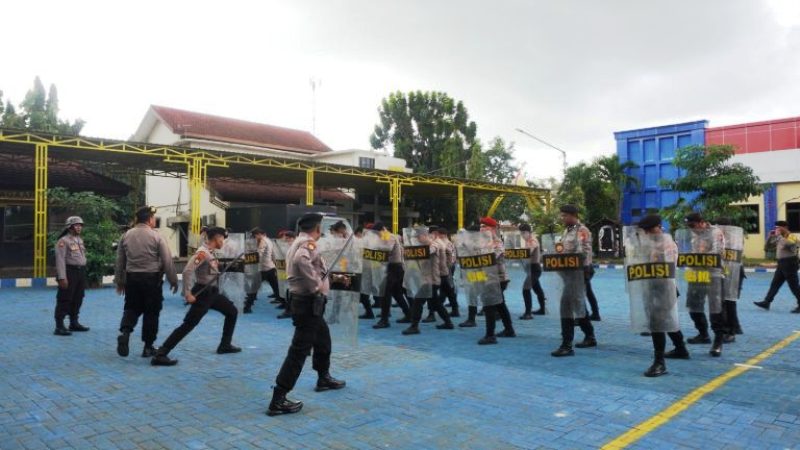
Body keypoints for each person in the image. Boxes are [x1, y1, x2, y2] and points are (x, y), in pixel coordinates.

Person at [268, 213, 346, 416]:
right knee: (299, 350)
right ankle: (278, 397)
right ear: (318, 228)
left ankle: (323, 377)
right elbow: (302, 262)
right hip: (308, 303)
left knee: (323, 341)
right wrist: (316, 286)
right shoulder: (308, 244)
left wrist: (333, 278)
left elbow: (314, 268)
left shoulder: (299, 241)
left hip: (306, 303)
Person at [151, 226, 242, 366]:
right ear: (217, 237)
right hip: (203, 293)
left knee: (232, 312)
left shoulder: (210, 252)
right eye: (223, 238)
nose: (223, 241)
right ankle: (161, 354)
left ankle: (225, 345)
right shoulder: (202, 252)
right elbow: (188, 271)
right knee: (188, 324)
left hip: (213, 293)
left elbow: (211, 270)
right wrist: (187, 293)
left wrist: (227, 266)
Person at [628, 214, 690, 377]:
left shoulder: (666, 243)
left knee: (657, 324)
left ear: (658, 227)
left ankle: (659, 363)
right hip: (651, 287)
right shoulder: (649, 241)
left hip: (664, 288)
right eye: (645, 231)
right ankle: (681, 348)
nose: (646, 233)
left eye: (649, 230)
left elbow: (661, 264)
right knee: (666, 320)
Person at [114, 206, 178, 358]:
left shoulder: (126, 235)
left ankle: (125, 332)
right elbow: (167, 260)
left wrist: (120, 281)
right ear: (149, 219)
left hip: (132, 279)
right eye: (153, 218)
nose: (154, 220)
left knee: (131, 307)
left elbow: (120, 261)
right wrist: (173, 280)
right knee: (151, 312)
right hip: (151, 279)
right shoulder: (157, 236)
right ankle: (148, 347)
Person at [551, 205, 597, 357]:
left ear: (573, 215)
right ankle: (590, 336)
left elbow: (583, 252)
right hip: (568, 273)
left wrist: (582, 268)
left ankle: (567, 345)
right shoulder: (567, 231)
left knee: (566, 305)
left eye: (564, 216)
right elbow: (563, 251)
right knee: (577, 304)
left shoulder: (581, 231)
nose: (562, 218)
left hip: (578, 272)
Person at [681, 213, 727, 357]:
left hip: (713, 274)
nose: (691, 229)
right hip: (696, 274)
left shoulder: (715, 233)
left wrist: (696, 258)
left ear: (701, 222)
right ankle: (703, 334)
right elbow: (694, 251)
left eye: (692, 225)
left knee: (715, 308)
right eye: (689, 227)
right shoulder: (695, 235)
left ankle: (718, 341)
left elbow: (717, 252)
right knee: (693, 306)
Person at [402, 227, 454, 335]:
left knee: (417, 302)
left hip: (430, 280)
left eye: (418, 237)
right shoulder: (423, 245)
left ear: (425, 236)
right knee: (436, 303)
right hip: (428, 279)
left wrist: (414, 252)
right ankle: (448, 322)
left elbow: (430, 251)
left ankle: (414, 326)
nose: (417, 239)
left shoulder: (434, 245)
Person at [479, 217, 515, 342]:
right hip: (489, 277)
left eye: (485, 226)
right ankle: (509, 329)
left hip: (498, 279)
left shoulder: (497, 243)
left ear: (493, 228)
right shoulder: (484, 243)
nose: (482, 228)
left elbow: (490, 259)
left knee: (489, 305)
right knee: (500, 305)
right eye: (481, 226)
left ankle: (490, 335)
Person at [371, 222, 411, 329]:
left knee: (385, 293)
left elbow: (386, 250)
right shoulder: (385, 237)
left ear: (383, 229)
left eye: (378, 233)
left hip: (394, 267)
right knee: (397, 293)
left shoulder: (390, 237)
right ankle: (408, 314)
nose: (377, 235)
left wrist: (372, 247)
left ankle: (384, 320)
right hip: (391, 267)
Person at [754, 220, 800, 313]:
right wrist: (769, 237)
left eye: (778, 227)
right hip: (781, 264)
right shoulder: (779, 237)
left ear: (785, 227)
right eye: (776, 228)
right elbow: (767, 247)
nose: (777, 229)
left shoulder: (792, 236)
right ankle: (767, 302)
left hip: (790, 263)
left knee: (794, 286)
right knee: (775, 283)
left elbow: (788, 245)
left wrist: (779, 236)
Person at [54, 216, 89, 336]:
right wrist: (62, 277)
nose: (79, 227)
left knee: (78, 297)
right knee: (65, 298)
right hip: (69, 272)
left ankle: (74, 323)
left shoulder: (79, 240)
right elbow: (60, 260)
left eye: (80, 225)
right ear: (70, 227)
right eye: (76, 225)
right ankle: (59, 326)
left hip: (80, 272)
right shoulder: (63, 241)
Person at [245, 227, 282, 314]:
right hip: (270, 267)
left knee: (253, 289)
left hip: (263, 269)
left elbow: (259, 254)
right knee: (277, 289)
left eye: (255, 236)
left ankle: (247, 307)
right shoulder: (269, 240)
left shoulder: (263, 241)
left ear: (259, 234)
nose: (254, 238)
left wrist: (248, 258)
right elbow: (273, 255)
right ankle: (287, 306)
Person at [518, 223, 546, 319]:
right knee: (537, 289)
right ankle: (542, 309)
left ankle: (528, 313)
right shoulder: (528, 240)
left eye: (524, 233)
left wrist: (518, 252)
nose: (522, 235)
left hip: (535, 268)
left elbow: (528, 252)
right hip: (531, 268)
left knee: (526, 289)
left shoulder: (532, 240)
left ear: (529, 232)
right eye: (521, 233)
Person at [436, 227, 460, 317]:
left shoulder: (445, 243)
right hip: (449, 266)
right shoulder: (450, 243)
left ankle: (439, 304)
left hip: (447, 267)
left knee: (447, 287)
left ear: (442, 235)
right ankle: (452, 307)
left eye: (438, 235)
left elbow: (451, 257)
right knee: (447, 288)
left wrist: (447, 266)